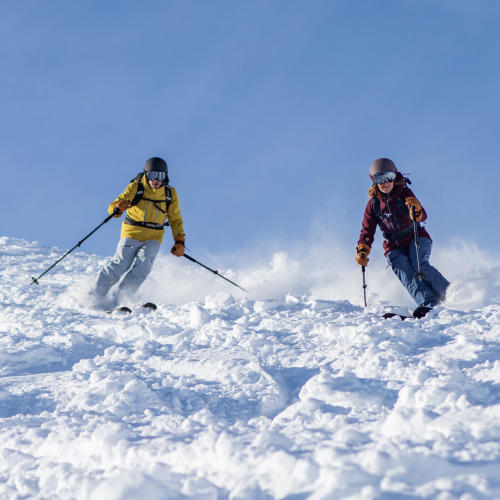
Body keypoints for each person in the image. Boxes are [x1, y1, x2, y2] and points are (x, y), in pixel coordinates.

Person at [356, 158, 449, 318]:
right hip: (393, 246)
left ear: (395, 176)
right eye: (379, 178)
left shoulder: (403, 193)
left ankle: (450, 295)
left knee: (419, 264)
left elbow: (421, 214)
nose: (385, 183)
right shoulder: (373, 205)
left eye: (389, 177)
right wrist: (363, 248)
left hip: (416, 237)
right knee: (404, 271)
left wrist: (417, 211)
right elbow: (367, 230)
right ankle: (429, 303)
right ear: (373, 181)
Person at [90, 157, 185, 309]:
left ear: (165, 176)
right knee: (120, 264)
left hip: (154, 235)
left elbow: (175, 219)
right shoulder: (136, 187)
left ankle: (118, 302)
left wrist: (179, 241)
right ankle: (94, 297)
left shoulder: (170, 193)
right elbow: (114, 206)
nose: (156, 180)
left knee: (143, 268)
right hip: (132, 232)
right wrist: (117, 208)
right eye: (152, 175)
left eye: (160, 176)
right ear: (146, 175)